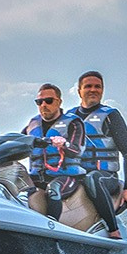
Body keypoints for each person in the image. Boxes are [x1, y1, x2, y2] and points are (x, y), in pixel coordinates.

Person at [66, 69, 127, 239]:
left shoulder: (111, 116)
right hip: (77, 175)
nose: (93, 90)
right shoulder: (68, 117)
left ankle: (113, 230)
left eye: (98, 86)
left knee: (93, 178)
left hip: (105, 177)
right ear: (79, 91)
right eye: (88, 86)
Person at [19, 82, 77, 222]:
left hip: (64, 177)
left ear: (59, 102)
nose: (44, 105)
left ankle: (52, 226)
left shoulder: (73, 123)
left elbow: (77, 150)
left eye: (49, 101)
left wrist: (64, 144)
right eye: (39, 102)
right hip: (37, 176)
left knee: (53, 190)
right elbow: (17, 143)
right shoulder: (32, 125)